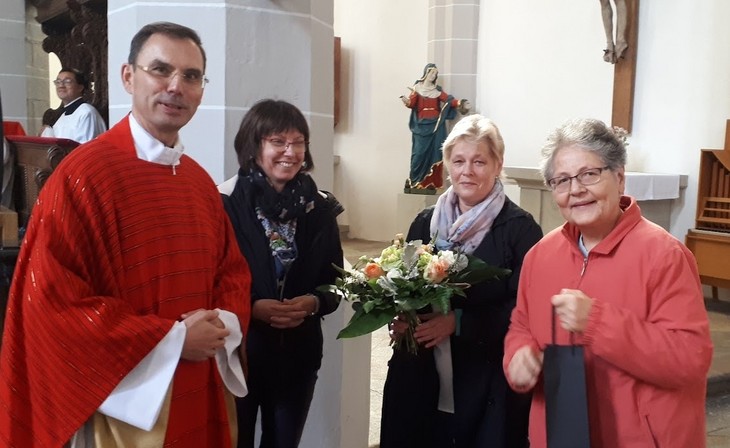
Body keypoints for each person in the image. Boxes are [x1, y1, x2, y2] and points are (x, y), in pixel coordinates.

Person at [0, 22, 252, 447]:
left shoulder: (198, 183)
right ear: (128, 77)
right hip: (128, 402)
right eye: (160, 70)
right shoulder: (83, 176)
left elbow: (231, 272)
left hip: (199, 382)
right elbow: (53, 301)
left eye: (191, 76)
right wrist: (172, 340)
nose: (176, 86)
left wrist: (222, 323)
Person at [503, 118, 713, 447]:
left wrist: (597, 323)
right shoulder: (540, 256)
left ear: (619, 176)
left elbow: (689, 360)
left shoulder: (665, 255)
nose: (576, 189)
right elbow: (522, 326)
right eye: (561, 180)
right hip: (560, 432)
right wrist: (518, 356)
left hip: (639, 437)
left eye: (589, 174)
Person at [380, 114, 542, 448]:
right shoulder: (425, 222)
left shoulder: (520, 229)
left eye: (479, 161)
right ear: (447, 165)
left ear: (498, 165)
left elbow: (524, 309)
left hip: (485, 372)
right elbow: (404, 285)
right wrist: (400, 318)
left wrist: (457, 322)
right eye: (459, 161)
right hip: (421, 366)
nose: (467, 171)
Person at [218, 99, 344, 448]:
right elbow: (208, 282)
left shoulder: (319, 207)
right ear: (253, 145)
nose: (290, 152)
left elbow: (338, 280)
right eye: (278, 141)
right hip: (240, 352)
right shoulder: (223, 202)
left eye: (298, 142)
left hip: (298, 353)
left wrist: (314, 303)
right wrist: (252, 306)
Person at [401, 63, 470, 190]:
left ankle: (431, 183)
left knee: (435, 154)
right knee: (418, 153)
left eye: (435, 74)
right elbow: (412, 103)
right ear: (426, 73)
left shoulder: (436, 90)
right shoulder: (417, 88)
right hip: (421, 126)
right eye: (432, 73)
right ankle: (415, 181)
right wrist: (406, 101)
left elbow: (449, 100)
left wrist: (461, 103)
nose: (433, 76)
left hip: (436, 125)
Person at [40, 67, 107, 143]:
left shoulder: (86, 112)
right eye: (58, 82)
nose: (61, 85)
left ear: (80, 87)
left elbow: (84, 148)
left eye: (67, 81)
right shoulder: (61, 117)